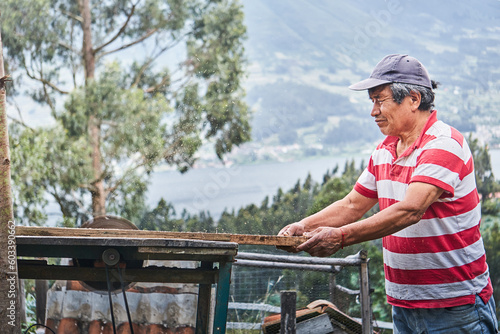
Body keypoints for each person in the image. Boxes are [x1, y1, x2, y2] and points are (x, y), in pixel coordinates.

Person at [278, 54, 498, 333]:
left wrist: (342, 237)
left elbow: (411, 210)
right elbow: (352, 204)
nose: (373, 111)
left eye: (380, 100)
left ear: (414, 99)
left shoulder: (443, 144)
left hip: (454, 308)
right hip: (404, 306)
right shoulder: (384, 150)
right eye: (372, 102)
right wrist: (302, 226)